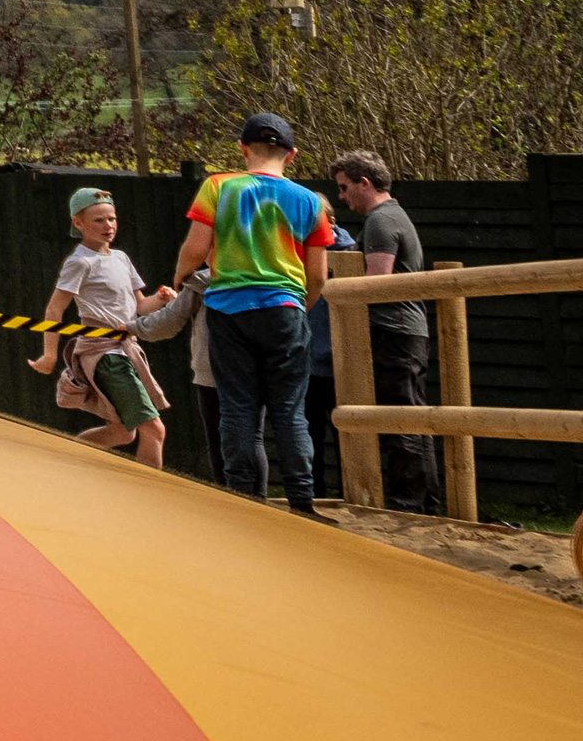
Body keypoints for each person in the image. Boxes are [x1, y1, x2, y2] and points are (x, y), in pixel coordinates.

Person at [172, 111, 337, 517]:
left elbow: (196, 249)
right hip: (285, 310)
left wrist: (178, 277)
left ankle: (245, 499)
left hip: (229, 310)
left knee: (238, 408)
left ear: (243, 150)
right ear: (292, 155)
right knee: (289, 410)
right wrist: (301, 305)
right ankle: (302, 501)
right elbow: (317, 273)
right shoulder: (310, 202)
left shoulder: (217, 187)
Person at [29, 185, 176, 469]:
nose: (108, 226)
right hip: (105, 356)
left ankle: (67, 465)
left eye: (112, 219)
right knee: (154, 430)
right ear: (78, 223)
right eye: (98, 220)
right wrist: (49, 355)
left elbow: (139, 308)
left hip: (127, 350)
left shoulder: (120, 258)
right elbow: (54, 308)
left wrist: (160, 299)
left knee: (122, 432)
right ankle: (153, 498)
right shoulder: (79, 262)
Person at [330, 149, 445, 514]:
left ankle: (407, 501)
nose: (341, 196)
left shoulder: (381, 221)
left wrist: (337, 285)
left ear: (365, 183)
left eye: (345, 187)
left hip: (393, 331)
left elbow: (376, 284)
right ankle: (424, 498)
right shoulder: (394, 216)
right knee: (412, 413)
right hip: (407, 331)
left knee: (399, 417)